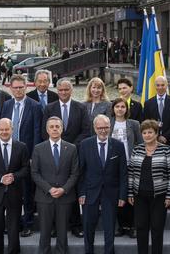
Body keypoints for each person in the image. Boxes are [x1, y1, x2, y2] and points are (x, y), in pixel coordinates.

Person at [43, 78, 91, 237]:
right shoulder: (49, 108)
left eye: (66, 90)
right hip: (55, 154)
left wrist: (69, 146)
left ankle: (76, 224)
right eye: (61, 90)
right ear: (57, 91)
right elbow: (45, 131)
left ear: (71, 90)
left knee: (73, 189)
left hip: (74, 153)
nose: (63, 92)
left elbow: (86, 131)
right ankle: (56, 226)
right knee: (56, 187)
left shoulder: (81, 107)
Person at [0, 74, 43, 237]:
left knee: (27, 191)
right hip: (9, 153)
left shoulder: (35, 106)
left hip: (26, 155)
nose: (18, 90)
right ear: (10, 88)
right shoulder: (7, 105)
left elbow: (37, 132)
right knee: (10, 192)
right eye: (15, 87)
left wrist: (34, 156)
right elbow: (3, 129)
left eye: (21, 87)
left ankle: (28, 223)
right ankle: (13, 223)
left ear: (26, 87)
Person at [78, 114, 128, 254]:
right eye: (100, 128)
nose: (103, 131)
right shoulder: (85, 145)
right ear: (94, 128)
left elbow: (123, 172)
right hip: (89, 193)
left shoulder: (118, 146)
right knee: (88, 226)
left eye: (106, 127)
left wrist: (122, 195)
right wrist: (81, 192)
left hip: (111, 193)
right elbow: (81, 172)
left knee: (109, 227)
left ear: (110, 127)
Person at [0, 118, 30, 254]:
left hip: (14, 193)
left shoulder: (21, 146)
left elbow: (26, 169)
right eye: (1, 129)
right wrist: (1, 179)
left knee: (14, 228)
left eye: (7, 129)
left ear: (12, 130)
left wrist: (14, 176)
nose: (4, 132)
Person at [31, 117, 79, 254]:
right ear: (47, 130)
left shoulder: (71, 148)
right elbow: (34, 173)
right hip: (44, 197)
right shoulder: (38, 148)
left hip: (65, 197)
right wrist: (49, 189)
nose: (54, 129)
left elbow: (75, 173)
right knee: (45, 234)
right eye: (51, 127)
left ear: (62, 129)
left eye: (57, 126)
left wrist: (63, 189)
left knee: (63, 234)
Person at [128, 120, 170, 254]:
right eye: (144, 132)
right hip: (140, 196)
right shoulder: (137, 149)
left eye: (150, 132)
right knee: (141, 228)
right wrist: (130, 194)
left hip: (160, 197)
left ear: (156, 133)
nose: (147, 135)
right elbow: (131, 173)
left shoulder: (166, 149)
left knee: (157, 228)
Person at [109, 98, 142, 238]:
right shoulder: (108, 123)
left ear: (127, 109)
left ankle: (133, 225)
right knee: (117, 195)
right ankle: (121, 225)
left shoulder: (134, 124)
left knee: (132, 195)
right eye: (117, 106)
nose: (120, 109)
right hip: (113, 165)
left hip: (131, 164)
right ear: (113, 109)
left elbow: (140, 143)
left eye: (123, 106)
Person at [143, 76, 170, 151]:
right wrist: (156, 136)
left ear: (166, 85)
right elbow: (146, 123)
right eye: (158, 85)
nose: (160, 87)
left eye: (163, 85)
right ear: (155, 86)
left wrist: (165, 136)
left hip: (169, 141)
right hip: (152, 140)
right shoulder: (148, 103)